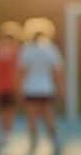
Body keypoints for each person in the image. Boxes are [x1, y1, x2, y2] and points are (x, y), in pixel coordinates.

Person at [18, 17, 64, 147]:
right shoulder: (51, 49)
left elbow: (21, 72)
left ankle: (33, 141)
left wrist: (19, 89)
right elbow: (58, 72)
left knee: (31, 117)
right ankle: (54, 138)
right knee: (49, 115)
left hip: (30, 88)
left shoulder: (26, 50)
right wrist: (61, 90)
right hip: (46, 88)